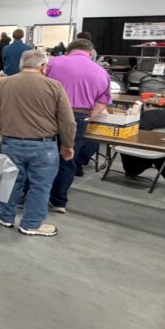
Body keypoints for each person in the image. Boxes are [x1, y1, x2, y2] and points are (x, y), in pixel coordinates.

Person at [0, 50, 75, 237]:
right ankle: (31, 224)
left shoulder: (4, 83)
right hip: (44, 146)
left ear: (21, 65)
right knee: (40, 186)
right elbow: (67, 120)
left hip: (11, 143)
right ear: (43, 66)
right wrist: (67, 145)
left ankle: (5, 216)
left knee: (10, 181)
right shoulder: (54, 86)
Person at [46, 38, 111, 213]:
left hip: (48, 114)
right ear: (91, 53)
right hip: (79, 115)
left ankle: (27, 195)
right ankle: (58, 201)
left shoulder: (53, 62)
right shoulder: (101, 71)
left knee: (40, 154)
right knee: (67, 157)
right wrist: (88, 117)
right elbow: (102, 103)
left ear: (68, 50)